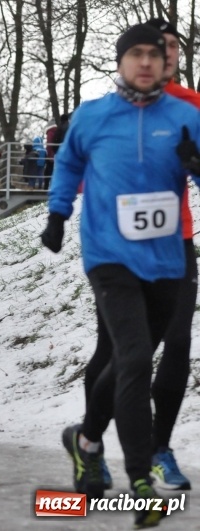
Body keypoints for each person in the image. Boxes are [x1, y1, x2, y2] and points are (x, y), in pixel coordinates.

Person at [40, 24, 200, 528]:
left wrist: (196, 163)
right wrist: (57, 215)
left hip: (166, 260)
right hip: (109, 257)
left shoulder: (186, 116)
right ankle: (140, 480)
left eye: (155, 54)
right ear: (121, 62)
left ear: (165, 63)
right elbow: (67, 164)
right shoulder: (93, 116)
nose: (147, 63)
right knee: (132, 357)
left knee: (132, 360)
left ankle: (85, 439)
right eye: (137, 55)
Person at [81, 17, 200, 497]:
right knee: (116, 353)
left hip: (176, 244)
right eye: (154, 48)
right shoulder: (109, 111)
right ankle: (92, 448)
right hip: (117, 249)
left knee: (175, 346)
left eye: (170, 48)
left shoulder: (192, 106)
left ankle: (159, 447)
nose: (162, 55)